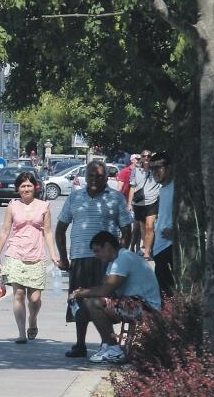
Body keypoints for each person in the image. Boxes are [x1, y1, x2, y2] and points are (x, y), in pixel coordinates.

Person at [55, 160, 133, 358]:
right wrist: (64, 257)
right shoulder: (74, 197)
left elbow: (126, 229)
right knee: (79, 302)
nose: (94, 179)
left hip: (105, 261)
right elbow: (61, 228)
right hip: (80, 257)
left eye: (99, 176)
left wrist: (120, 256)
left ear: (106, 178)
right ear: (84, 176)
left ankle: (106, 343)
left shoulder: (115, 198)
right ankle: (80, 344)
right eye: (91, 175)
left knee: (103, 302)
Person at [70, 230, 162, 362]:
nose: (96, 256)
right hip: (131, 302)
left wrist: (81, 293)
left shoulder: (123, 258)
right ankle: (105, 345)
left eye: (97, 251)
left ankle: (113, 348)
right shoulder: (114, 262)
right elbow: (102, 287)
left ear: (107, 246)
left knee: (93, 302)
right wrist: (82, 292)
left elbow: (105, 290)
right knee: (86, 304)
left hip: (145, 306)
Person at [0, 171, 60, 343]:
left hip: (36, 255)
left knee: (35, 299)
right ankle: (21, 333)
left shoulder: (44, 206)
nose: (26, 188)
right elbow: (5, 231)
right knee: (18, 294)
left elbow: (48, 232)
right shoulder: (13, 206)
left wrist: (53, 254)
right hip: (15, 253)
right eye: (22, 186)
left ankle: (33, 320)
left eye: (29, 185)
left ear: (35, 187)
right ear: (18, 189)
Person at [149, 150, 175, 297]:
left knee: (170, 294)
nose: (155, 172)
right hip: (159, 247)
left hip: (170, 246)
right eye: (152, 168)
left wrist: (176, 232)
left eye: (158, 167)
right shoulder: (161, 189)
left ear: (169, 167)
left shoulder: (177, 188)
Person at [127, 149, 161, 257]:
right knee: (143, 228)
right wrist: (129, 203)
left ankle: (147, 252)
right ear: (141, 158)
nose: (146, 158)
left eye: (149, 156)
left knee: (150, 226)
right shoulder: (136, 171)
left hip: (152, 202)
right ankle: (146, 247)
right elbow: (132, 187)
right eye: (144, 156)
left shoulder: (155, 171)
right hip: (139, 203)